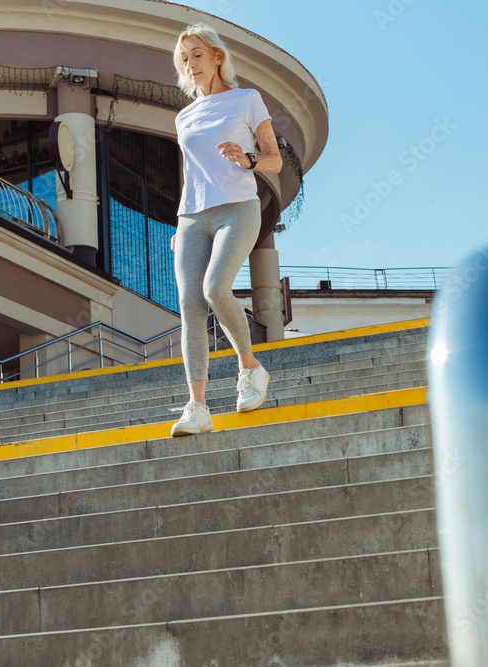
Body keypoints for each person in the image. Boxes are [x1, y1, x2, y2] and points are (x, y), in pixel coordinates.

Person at [168, 23, 283, 437]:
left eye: (197, 54)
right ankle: (197, 406)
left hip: (238, 208)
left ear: (217, 56)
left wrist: (247, 158)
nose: (191, 64)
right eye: (184, 58)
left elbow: (275, 160)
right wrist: (181, 222)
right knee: (189, 305)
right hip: (193, 217)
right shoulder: (184, 116)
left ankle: (250, 369)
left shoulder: (246, 99)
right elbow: (189, 173)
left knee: (216, 288)